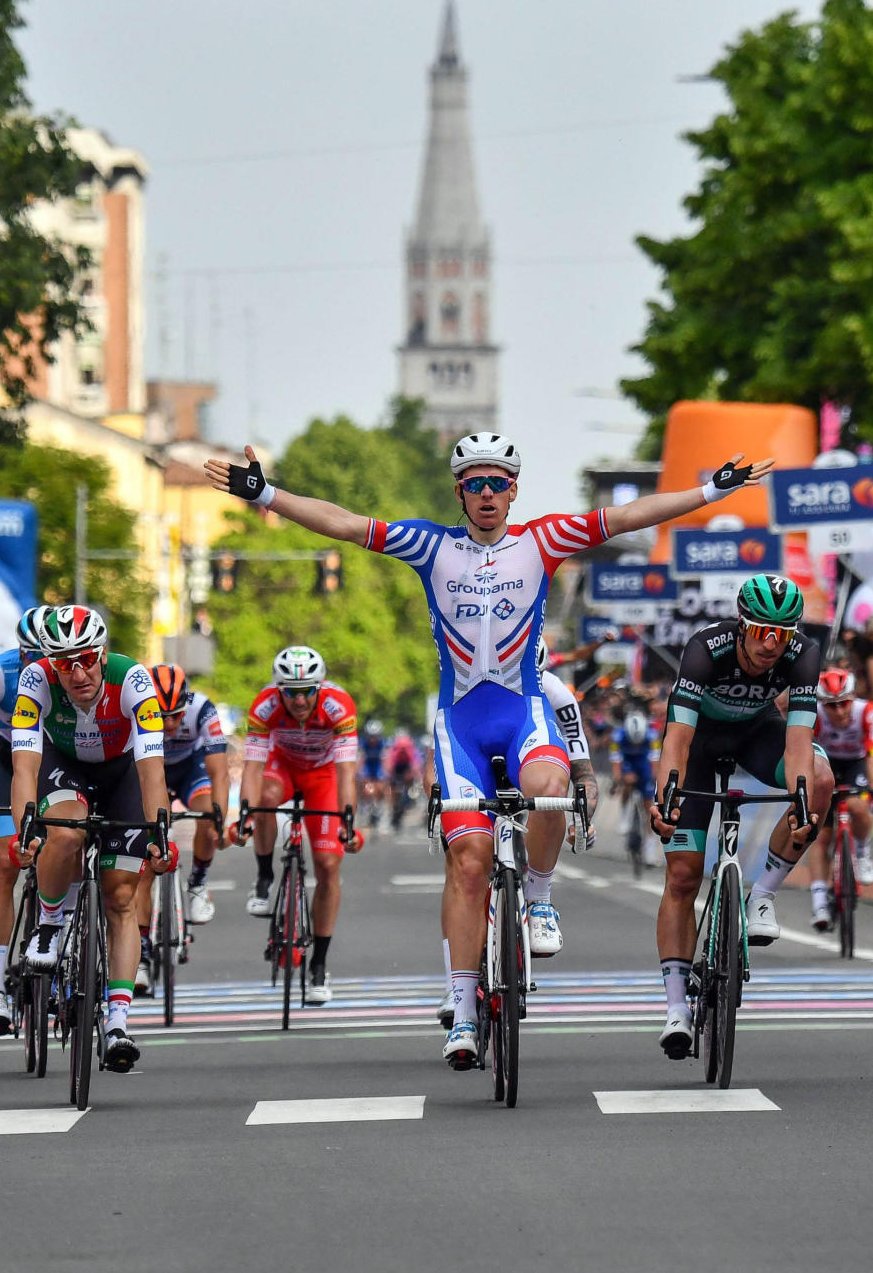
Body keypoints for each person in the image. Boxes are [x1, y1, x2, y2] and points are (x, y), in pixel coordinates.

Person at [205, 432, 773, 1068]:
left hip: (523, 714)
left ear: (513, 491)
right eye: (474, 483)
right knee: (470, 862)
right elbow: (341, 523)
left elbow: (631, 514)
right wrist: (268, 495)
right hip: (460, 726)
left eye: (497, 483)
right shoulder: (430, 545)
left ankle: (541, 897)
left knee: (549, 789)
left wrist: (710, 491)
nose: (486, 494)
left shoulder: (543, 540)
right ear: (459, 492)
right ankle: (464, 1013)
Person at [650, 574, 832, 1060]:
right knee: (684, 876)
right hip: (699, 744)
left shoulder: (804, 656)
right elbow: (678, 740)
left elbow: (797, 741)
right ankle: (676, 1010)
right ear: (741, 624)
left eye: (783, 633)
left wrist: (800, 802)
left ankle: (763, 894)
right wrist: (666, 796)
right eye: (761, 631)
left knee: (820, 778)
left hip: (757, 735)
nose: (772, 644)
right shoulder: (704, 649)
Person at [9, 605, 170, 1071]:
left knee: (121, 897)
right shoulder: (35, 681)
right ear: (50, 664)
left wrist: (160, 834)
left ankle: (117, 1022)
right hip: (67, 769)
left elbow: (151, 769)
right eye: (64, 662)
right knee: (64, 832)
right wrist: (25, 830)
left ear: (102, 653)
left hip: (123, 773)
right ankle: (50, 923)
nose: (77, 672)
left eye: (85, 658)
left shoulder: (135, 681)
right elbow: (25, 766)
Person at [436, 636, 601, 1029]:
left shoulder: (556, 694)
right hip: (481, 781)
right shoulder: (470, 688)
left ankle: (538, 902)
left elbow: (584, 774)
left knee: (544, 812)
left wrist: (584, 816)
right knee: (461, 867)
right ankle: (454, 982)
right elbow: (438, 758)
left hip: (531, 781)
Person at [236, 644, 360, 1004]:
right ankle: (263, 878)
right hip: (283, 768)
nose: (300, 700)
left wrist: (347, 822)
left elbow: (346, 771)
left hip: (323, 776)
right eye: (291, 692)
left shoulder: (339, 706)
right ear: (279, 690)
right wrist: (245, 814)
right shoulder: (264, 706)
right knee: (265, 799)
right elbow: (252, 769)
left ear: (318, 688)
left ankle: (318, 963)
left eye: (307, 691)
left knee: (327, 864)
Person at [131, 664, 229, 993]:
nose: (170, 724)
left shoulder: (203, 709)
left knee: (206, 811)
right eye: (162, 716)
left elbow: (220, 774)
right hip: (148, 767)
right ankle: (142, 955)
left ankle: (199, 882)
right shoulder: (134, 707)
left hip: (190, 769)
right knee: (144, 862)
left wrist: (219, 818)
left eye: (176, 715)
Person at [0, 605, 49, 1035]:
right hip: (7, 759)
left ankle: (61, 942)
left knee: (65, 846)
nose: (39, 668)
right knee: (6, 861)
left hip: (55, 756)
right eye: (31, 658)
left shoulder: (70, 677)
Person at [810, 668, 873, 929]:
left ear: (853, 698)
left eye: (844, 703)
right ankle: (820, 902)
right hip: (825, 763)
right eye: (832, 706)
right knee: (820, 835)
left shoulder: (867, 711)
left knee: (858, 805)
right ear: (822, 704)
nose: (840, 711)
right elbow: (804, 752)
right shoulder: (816, 715)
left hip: (856, 763)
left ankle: (863, 854)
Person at [358, 718, 388, 830]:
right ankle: (364, 810)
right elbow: (360, 760)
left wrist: (386, 775)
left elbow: (385, 761)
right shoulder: (363, 743)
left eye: (375, 736)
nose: (373, 739)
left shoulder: (383, 743)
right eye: (370, 736)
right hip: (367, 767)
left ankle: (379, 809)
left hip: (378, 767)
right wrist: (361, 775)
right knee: (366, 789)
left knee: (380, 788)